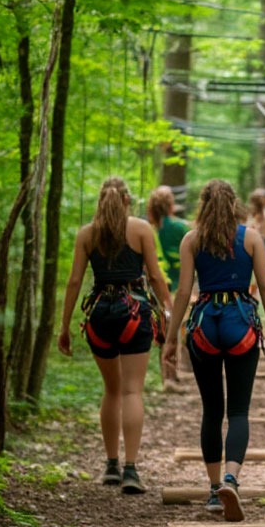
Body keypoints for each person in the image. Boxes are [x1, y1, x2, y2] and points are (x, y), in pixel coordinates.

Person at [162, 180, 265, 521]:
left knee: (212, 411)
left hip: (205, 326)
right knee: (239, 411)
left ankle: (214, 490)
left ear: (202, 205)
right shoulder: (251, 237)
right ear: (235, 204)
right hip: (241, 323)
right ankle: (232, 477)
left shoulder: (191, 239)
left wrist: (171, 339)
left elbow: (184, 292)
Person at [59, 176, 172, 495]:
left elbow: (74, 281)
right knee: (132, 392)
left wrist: (64, 327)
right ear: (127, 200)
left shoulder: (86, 234)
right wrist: (169, 309)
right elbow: (153, 275)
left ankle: (110, 465)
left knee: (111, 390)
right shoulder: (140, 229)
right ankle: (131, 470)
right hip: (134, 314)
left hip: (99, 315)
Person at [148, 185, 191, 387]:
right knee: (175, 329)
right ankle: (173, 374)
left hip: (155, 287)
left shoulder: (150, 229)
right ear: (170, 204)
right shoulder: (181, 227)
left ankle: (166, 375)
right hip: (179, 286)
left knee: (162, 329)